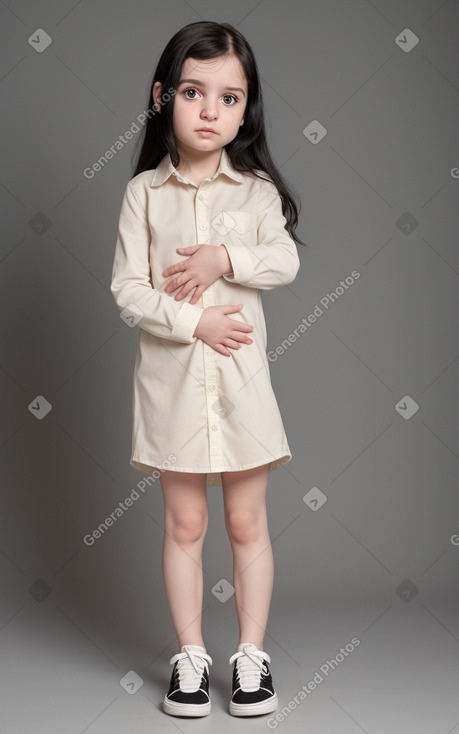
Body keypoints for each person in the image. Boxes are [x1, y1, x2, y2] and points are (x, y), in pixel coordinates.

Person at [110, 20, 305, 719]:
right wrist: (195, 321)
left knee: (248, 522)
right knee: (185, 525)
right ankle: (189, 656)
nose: (209, 110)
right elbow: (127, 291)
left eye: (229, 97)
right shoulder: (143, 196)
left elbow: (284, 262)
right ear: (164, 96)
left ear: (244, 109)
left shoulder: (252, 194)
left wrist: (225, 259)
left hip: (241, 390)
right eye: (193, 92)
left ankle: (251, 656)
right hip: (170, 392)